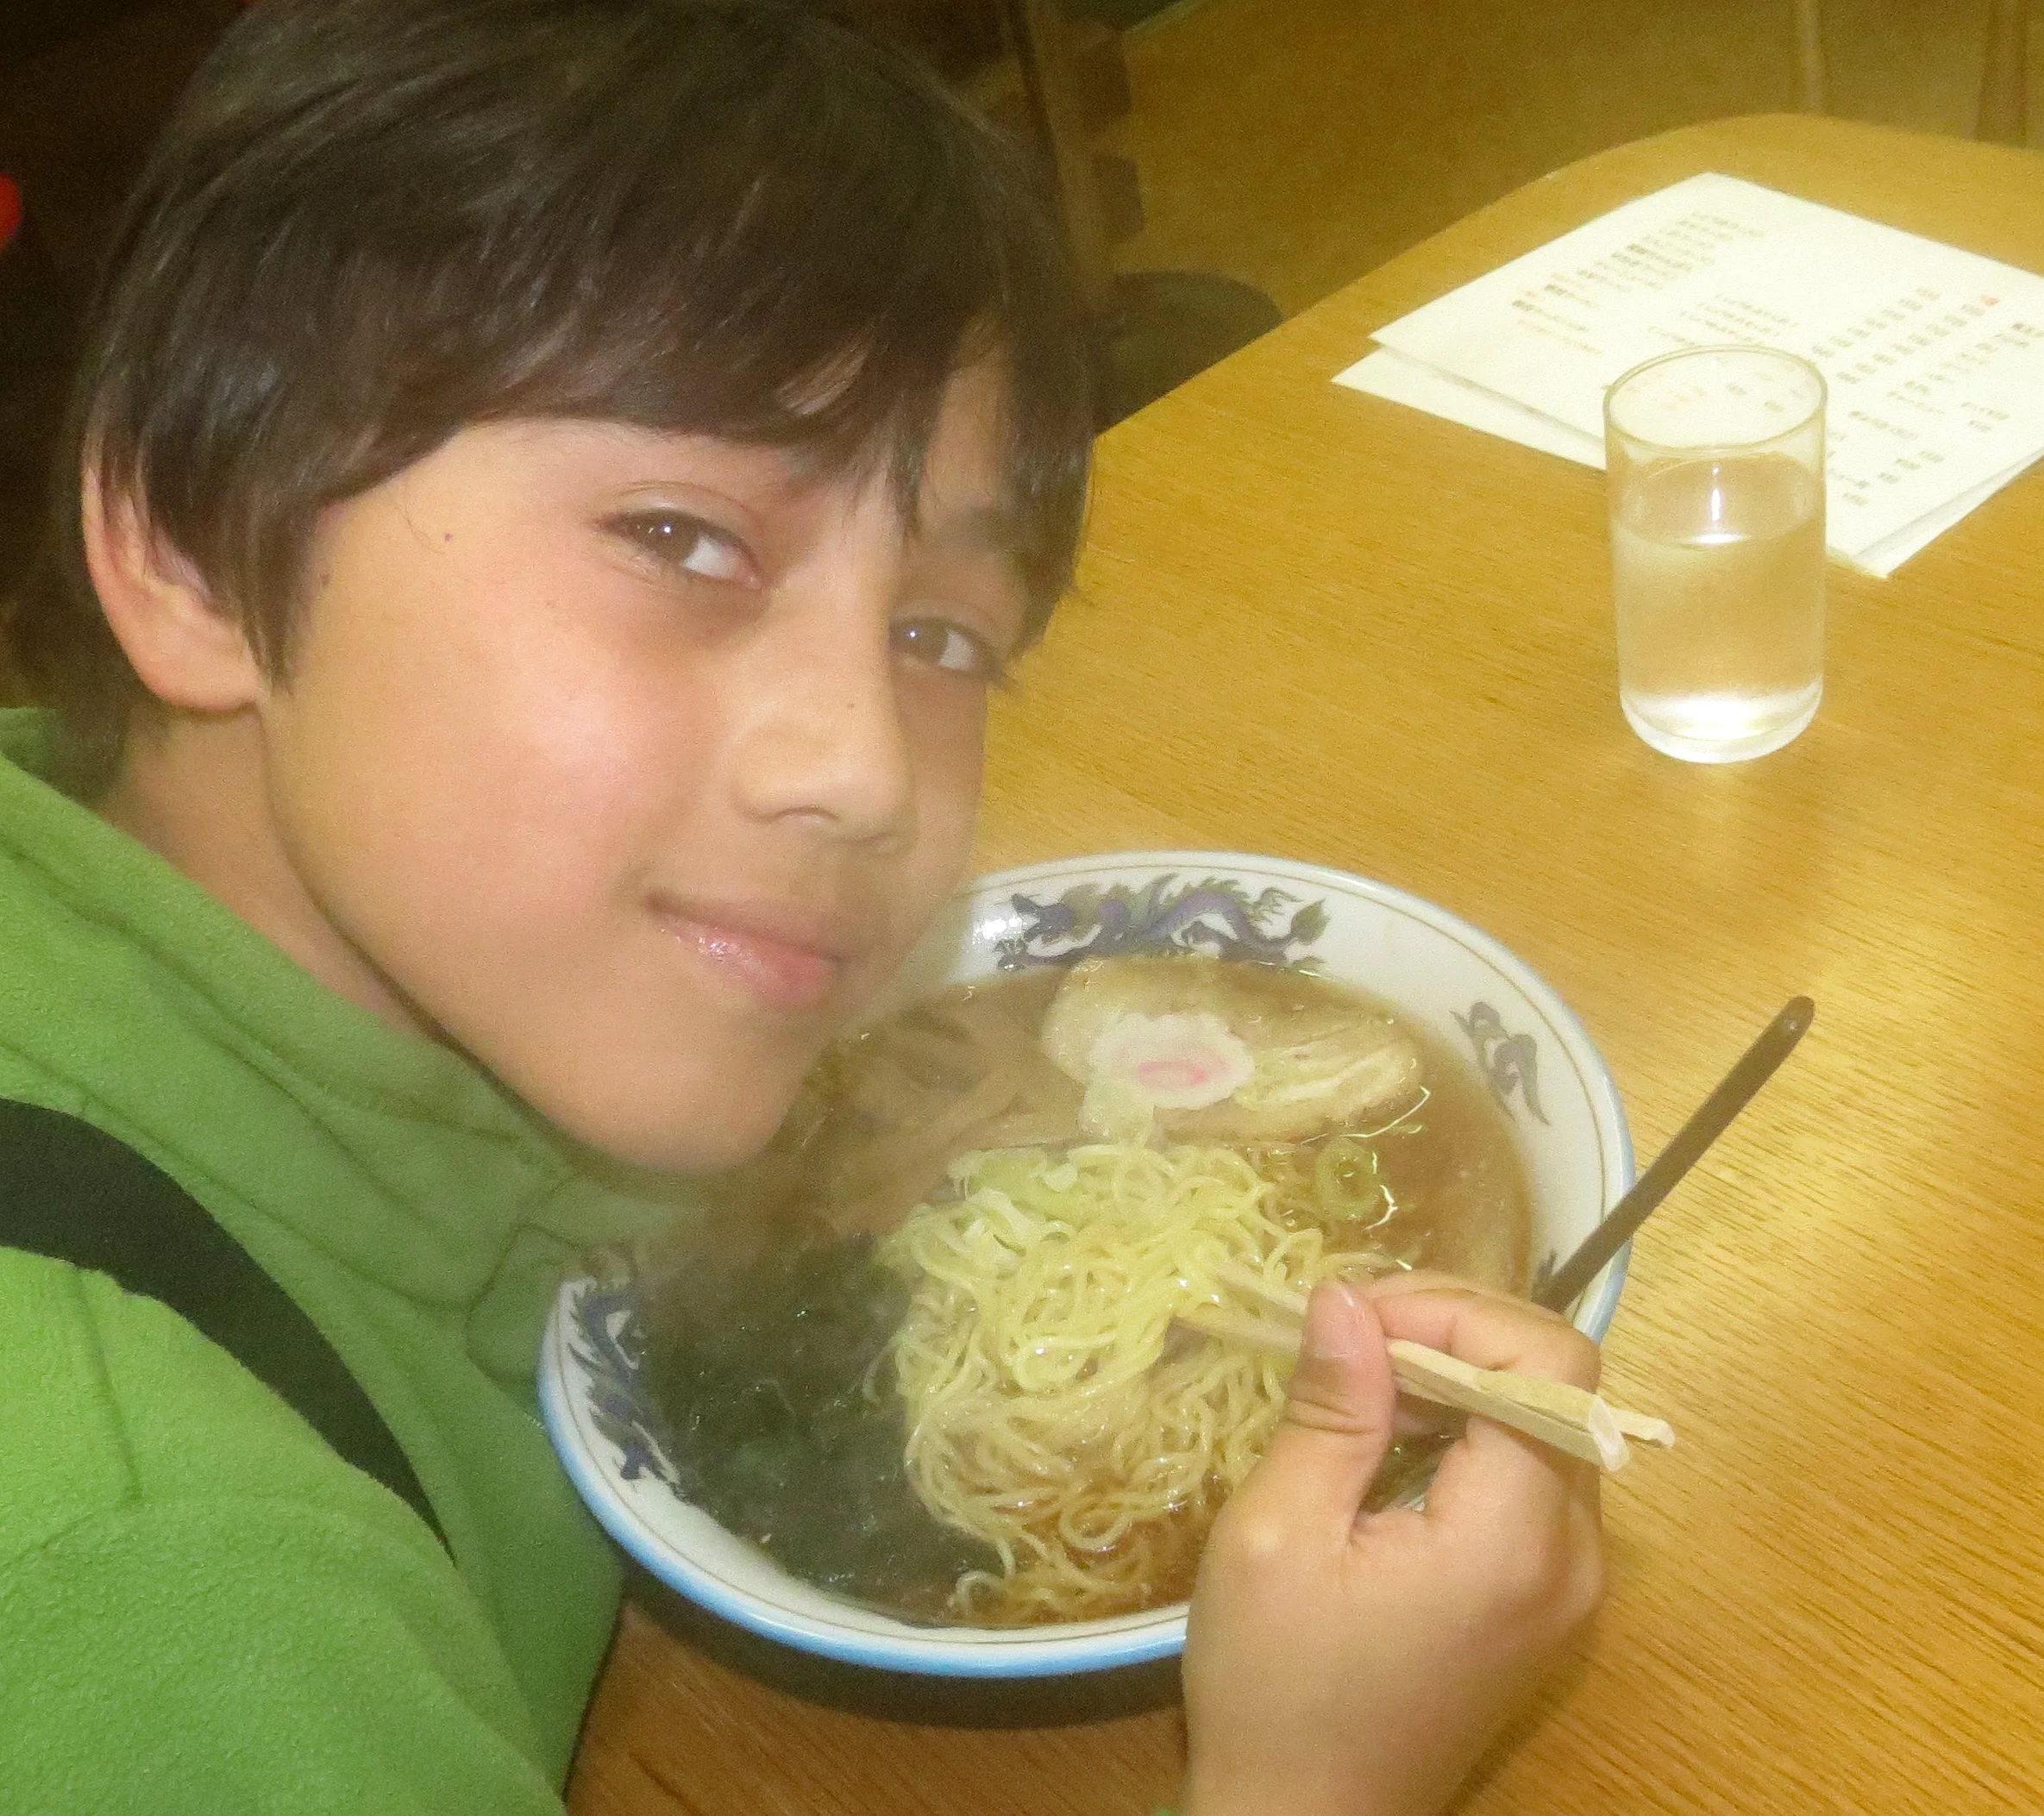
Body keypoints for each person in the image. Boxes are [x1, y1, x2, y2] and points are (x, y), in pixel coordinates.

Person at [0, 2, 1603, 1811]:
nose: (865, 768)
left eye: (939, 633)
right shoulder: (161, 1588)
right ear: (192, 552)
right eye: (680, 539)